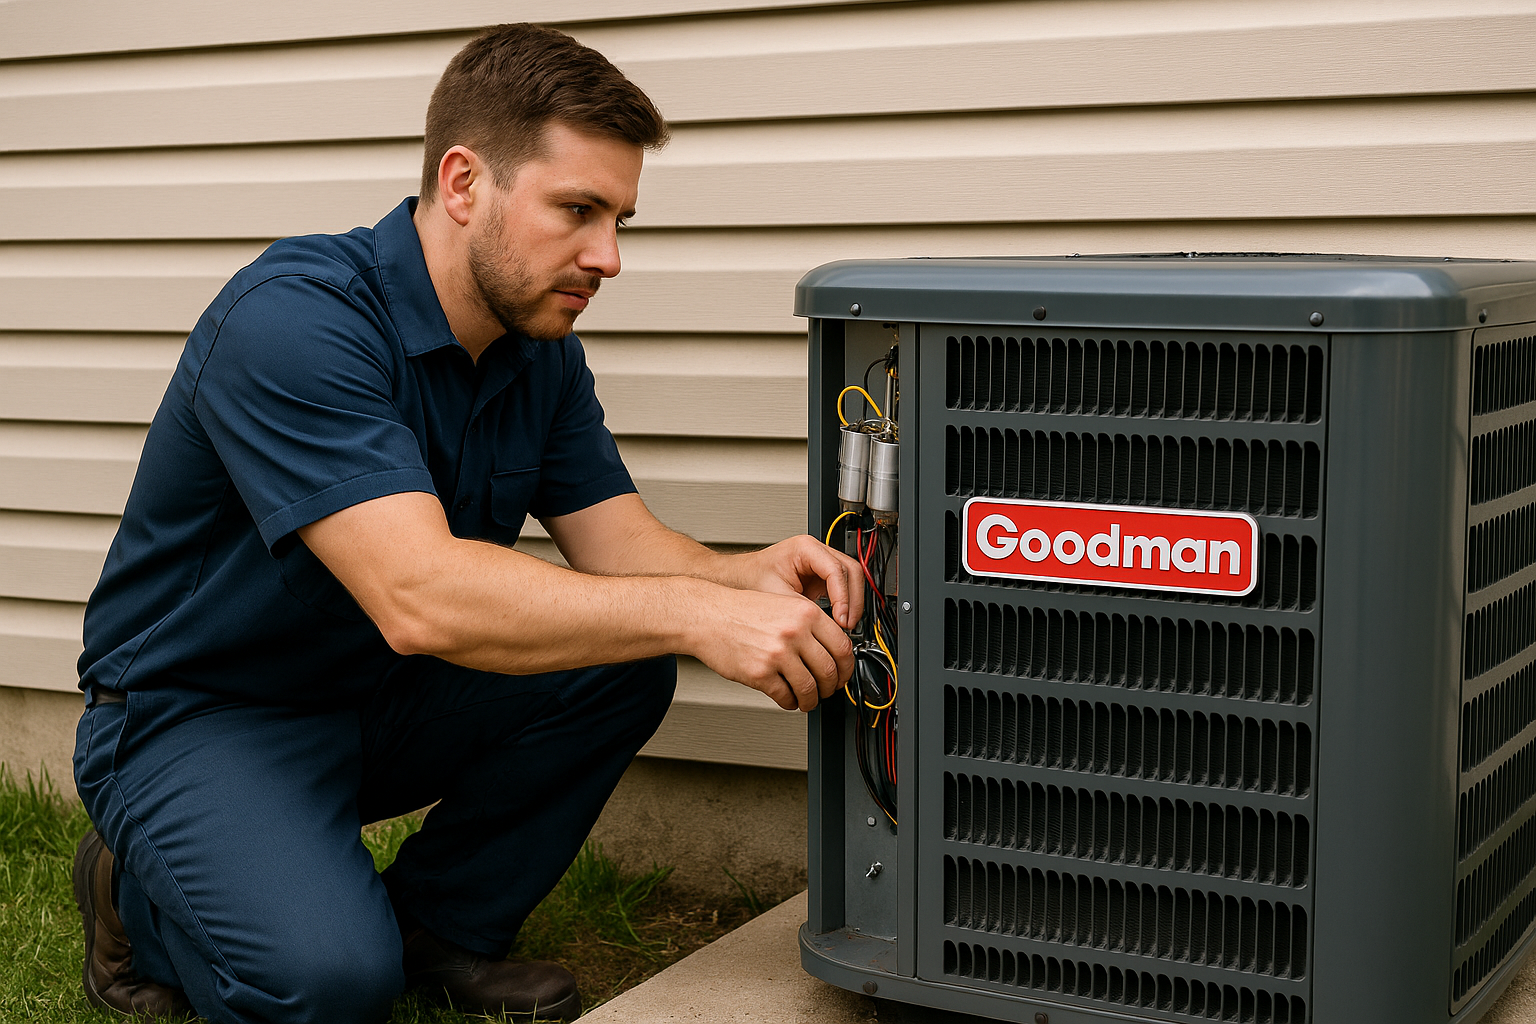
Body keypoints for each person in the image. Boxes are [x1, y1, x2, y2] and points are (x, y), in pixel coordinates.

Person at [71, 23, 861, 1024]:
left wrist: (742, 575)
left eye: (621, 218)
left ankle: (437, 930)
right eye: (578, 210)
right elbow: (419, 596)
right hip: (201, 714)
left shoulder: (537, 346)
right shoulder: (297, 318)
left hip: (373, 694)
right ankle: (134, 890)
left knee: (621, 657)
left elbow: (622, 549)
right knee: (326, 985)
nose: (608, 256)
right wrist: (695, 615)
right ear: (461, 183)